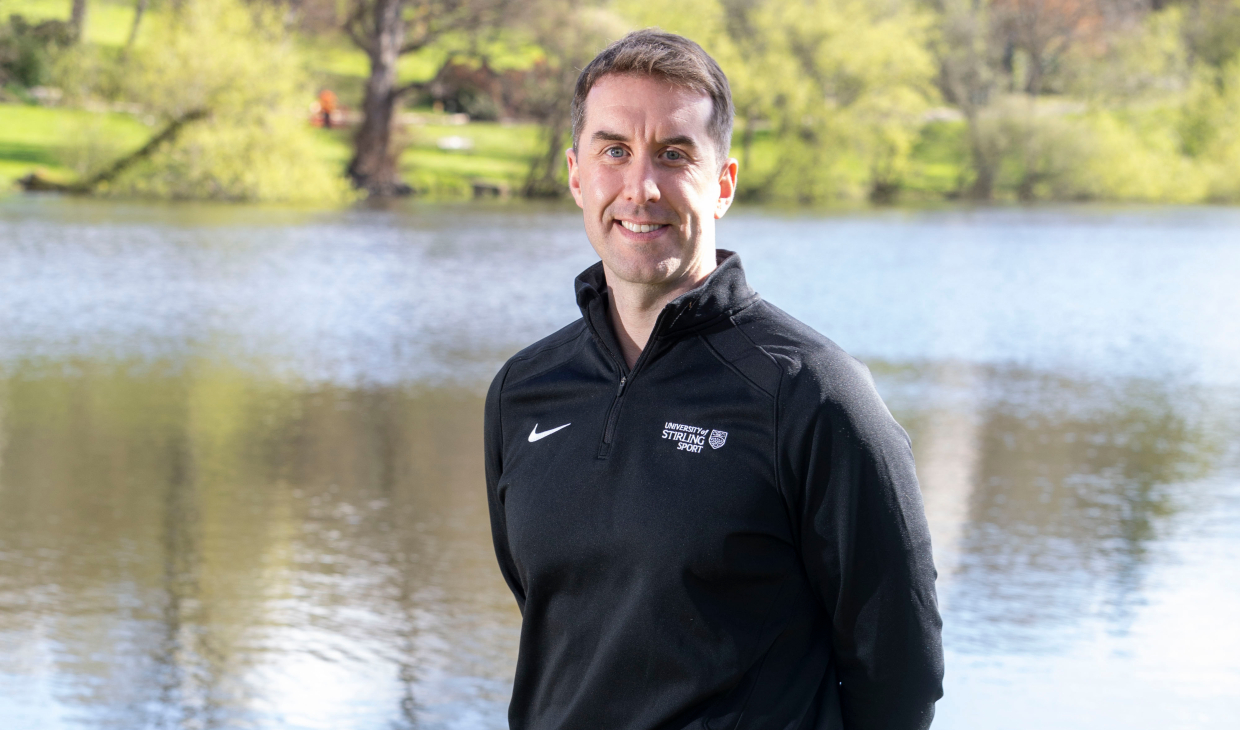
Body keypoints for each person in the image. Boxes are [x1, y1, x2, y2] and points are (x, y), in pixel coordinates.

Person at [484, 29, 943, 730]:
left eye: (675, 154)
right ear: (577, 173)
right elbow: (552, 619)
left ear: (721, 184)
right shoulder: (524, 391)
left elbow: (900, 677)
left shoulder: (812, 394)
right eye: (615, 150)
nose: (641, 187)